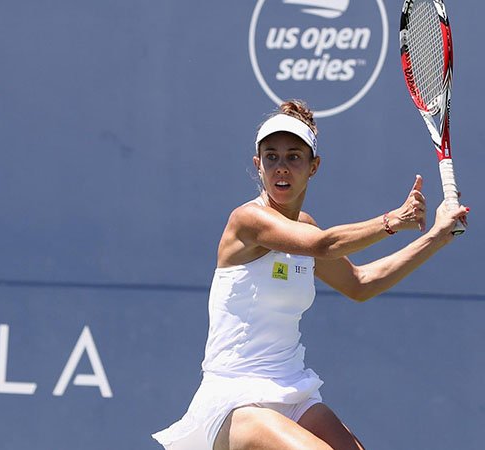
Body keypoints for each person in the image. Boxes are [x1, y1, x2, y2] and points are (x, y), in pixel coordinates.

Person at [152, 100, 469, 450]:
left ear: (313, 166)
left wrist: (436, 237)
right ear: (258, 165)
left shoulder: (305, 227)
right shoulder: (247, 221)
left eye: (293, 157)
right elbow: (323, 245)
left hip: (293, 389)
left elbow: (360, 284)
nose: (281, 168)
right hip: (237, 399)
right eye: (271, 157)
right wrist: (392, 221)